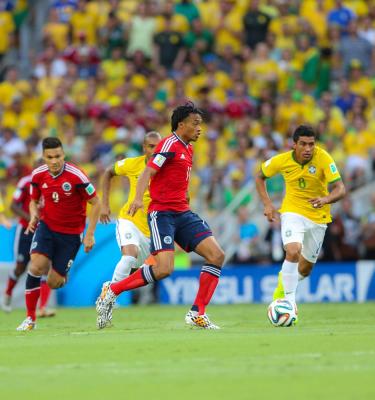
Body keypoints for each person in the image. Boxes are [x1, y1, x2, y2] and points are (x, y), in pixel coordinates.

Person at [96, 102, 225, 330]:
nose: (199, 129)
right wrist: (137, 198)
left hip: (182, 212)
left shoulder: (188, 148)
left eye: (200, 125)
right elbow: (148, 171)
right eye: (195, 124)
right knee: (164, 269)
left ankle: (197, 313)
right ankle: (113, 289)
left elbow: (175, 179)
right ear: (181, 124)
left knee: (216, 255)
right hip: (162, 213)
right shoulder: (169, 145)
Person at [255, 125, 346, 319]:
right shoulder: (282, 160)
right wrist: (268, 204)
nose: (308, 149)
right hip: (292, 212)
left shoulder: (324, 158)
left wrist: (326, 199)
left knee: (305, 268)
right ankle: (288, 302)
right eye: (303, 144)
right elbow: (260, 176)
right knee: (293, 250)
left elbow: (340, 188)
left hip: (318, 216)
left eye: (311, 144)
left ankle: (283, 281)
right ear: (293, 145)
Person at [16, 137, 101, 331]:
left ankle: (61, 273)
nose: (54, 161)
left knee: (54, 282)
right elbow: (33, 201)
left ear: (64, 155)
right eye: (49, 157)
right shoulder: (37, 175)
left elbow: (96, 202)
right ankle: (30, 319)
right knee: (36, 267)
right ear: (43, 157)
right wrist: (33, 215)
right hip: (47, 227)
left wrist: (90, 234)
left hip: (71, 235)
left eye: (58, 156)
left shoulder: (77, 175)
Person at [99, 131, 161, 314]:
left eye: (158, 147)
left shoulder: (167, 168)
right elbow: (108, 172)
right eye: (151, 146)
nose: (154, 150)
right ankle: (108, 301)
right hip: (129, 219)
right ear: (144, 148)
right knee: (129, 256)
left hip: (149, 231)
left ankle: (109, 288)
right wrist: (104, 204)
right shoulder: (132, 164)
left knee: (133, 270)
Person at [2, 171, 55, 316]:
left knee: (45, 266)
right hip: (26, 231)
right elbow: (13, 206)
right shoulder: (25, 182)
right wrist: (32, 218)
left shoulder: (54, 182)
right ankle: (7, 294)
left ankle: (42, 307)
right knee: (20, 267)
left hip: (44, 230)